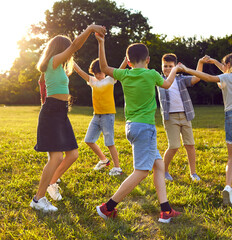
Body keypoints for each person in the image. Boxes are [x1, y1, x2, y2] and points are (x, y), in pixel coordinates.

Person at [94, 33, 182, 223]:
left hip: (132, 127)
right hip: (145, 128)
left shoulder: (124, 73)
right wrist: (174, 69)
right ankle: (107, 207)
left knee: (158, 165)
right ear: (148, 60)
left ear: (128, 61)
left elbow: (103, 67)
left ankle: (165, 210)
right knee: (141, 172)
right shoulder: (151, 74)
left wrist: (101, 43)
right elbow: (167, 84)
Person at [30, 24, 106, 212]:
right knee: (55, 157)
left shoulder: (55, 66)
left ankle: (51, 183)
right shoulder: (53, 61)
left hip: (59, 112)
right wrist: (89, 29)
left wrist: (46, 103)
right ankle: (38, 199)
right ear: (59, 49)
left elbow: (42, 83)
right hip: (53, 112)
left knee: (72, 154)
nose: (69, 53)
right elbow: (74, 47)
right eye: (66, 49)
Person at [178, 53, 232, 206]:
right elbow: (225, 70)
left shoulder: (227, 78)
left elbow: (208, 78)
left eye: (224, 64)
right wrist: (216, 62)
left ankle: (228, 187)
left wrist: (187, 69)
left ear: (228, 65)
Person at [73, 56, 127, 176]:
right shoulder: (92, 81)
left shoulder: (110, 79)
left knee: (109, 143)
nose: (98, 75)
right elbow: (79, 71)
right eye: (96, 73)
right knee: (88, 140)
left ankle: (117, 167)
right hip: (96, 116)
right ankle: (104, 160)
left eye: (100, 72)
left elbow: (120, 68)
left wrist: (126, 58)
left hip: (108, 116)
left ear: (104, 70)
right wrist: (70, 60)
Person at [157, 53, 205, 182]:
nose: (167, 68)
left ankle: (193, 173)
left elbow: (197, 78)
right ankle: (164, 171)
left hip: (185, 115)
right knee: (174, 146)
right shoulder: (158, 80)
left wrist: (200, 63)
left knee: (190, 145)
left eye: (170, 66)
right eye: (165, 66)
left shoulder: (180, 79)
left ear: (175, 67)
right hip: (170, 118)